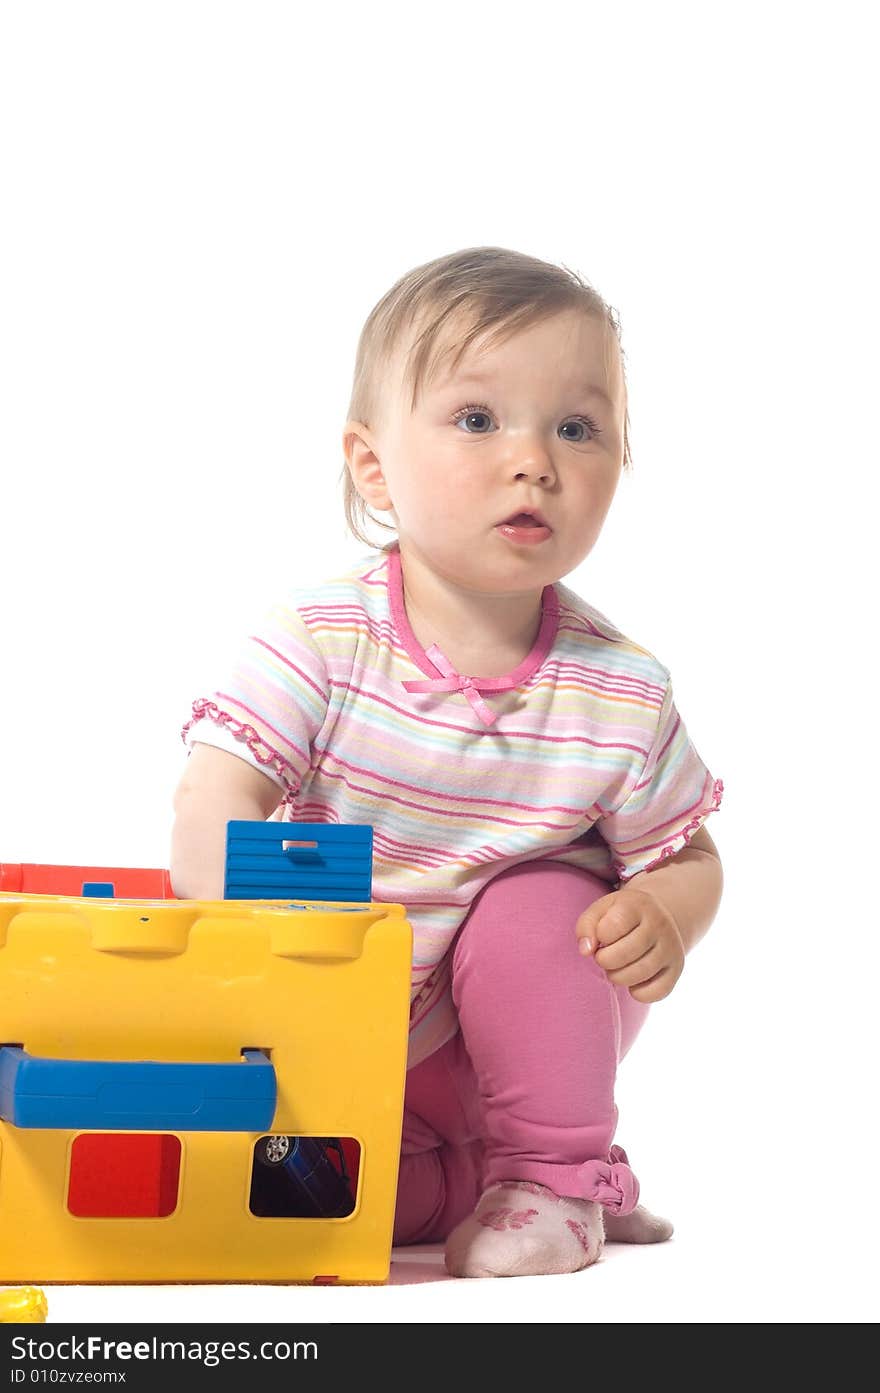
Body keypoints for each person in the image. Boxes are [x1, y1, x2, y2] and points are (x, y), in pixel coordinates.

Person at [170, 246, 724, 1278]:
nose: (535, 460)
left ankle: (555, 1178)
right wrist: (235, 929)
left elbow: (689, 853)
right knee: (320, 1213)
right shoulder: (320, 643)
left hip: (516, 1046)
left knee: (539, 897)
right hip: (337, 1037)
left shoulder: (622, 689)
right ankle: (509, 1184)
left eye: (577, 427)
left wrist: (665, 912)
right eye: (479, 420)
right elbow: (217, 793)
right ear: (373, 466)